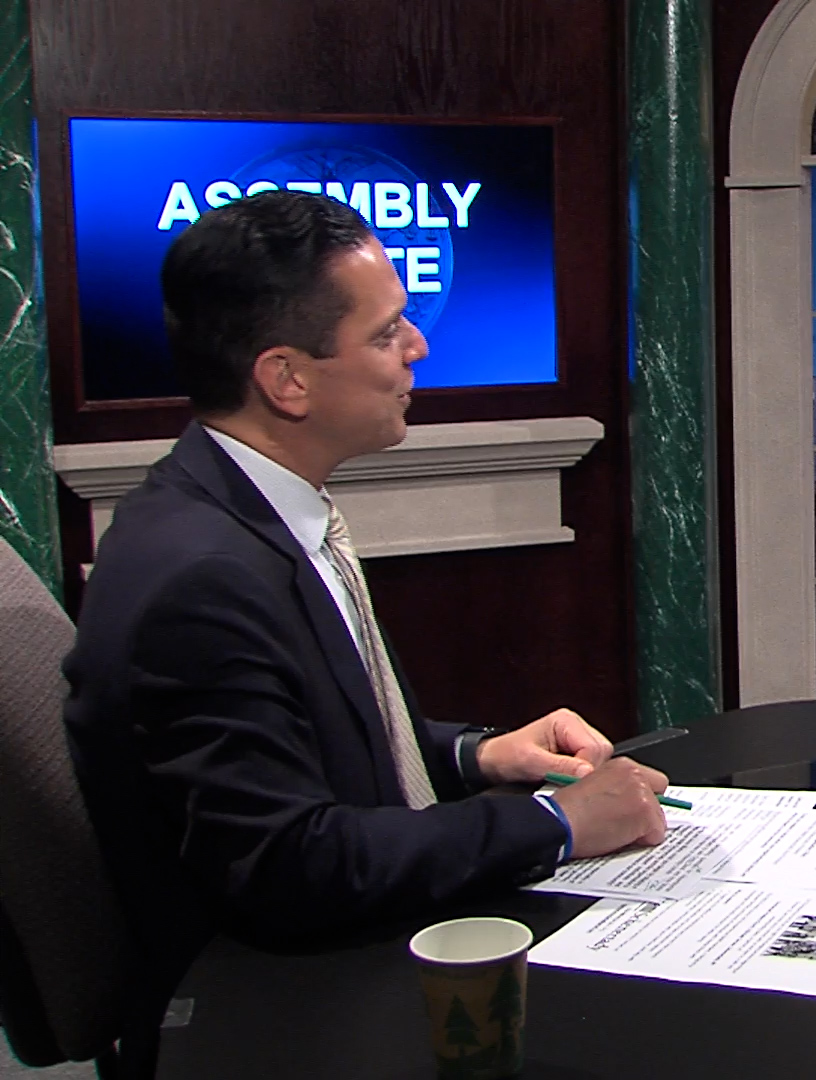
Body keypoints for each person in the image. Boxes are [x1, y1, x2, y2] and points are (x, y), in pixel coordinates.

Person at [62, 192, 670, 1007]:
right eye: (386, 332)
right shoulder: (200, 579)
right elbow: (288, 866)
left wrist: (476, 755)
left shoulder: (245, 512)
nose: (418, 346)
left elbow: (302, 738)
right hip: (273, 1011)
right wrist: (557, 824)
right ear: (286, 379)